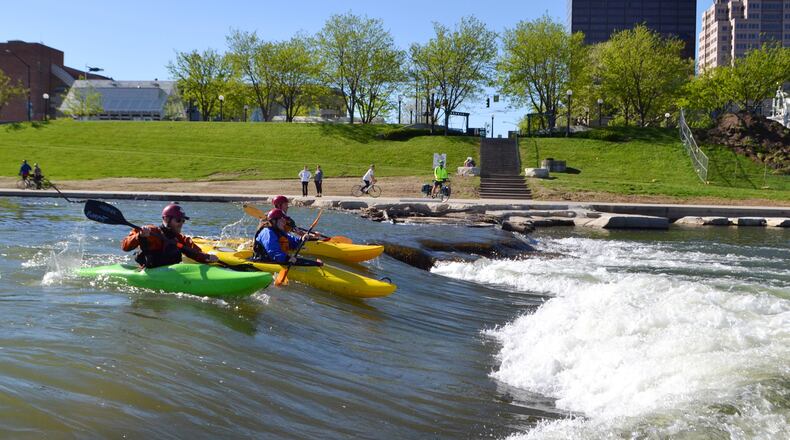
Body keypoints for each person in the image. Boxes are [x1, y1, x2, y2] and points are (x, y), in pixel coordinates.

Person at [121, 203, 218, 269]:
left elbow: (194, 252)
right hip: (149, 272)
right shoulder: (151, 232)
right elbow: (125, 246)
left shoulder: (179, 239)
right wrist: (139, 236)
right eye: (178, 220)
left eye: (183, 220)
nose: (181, 223)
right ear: (166, 219)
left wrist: (207, 258)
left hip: (169, 273)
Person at [251, 208, 322, 266]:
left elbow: (294, 243)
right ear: (274, 221)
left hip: (277, 260)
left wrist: (303, 239)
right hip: (264, 262)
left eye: (284, 219)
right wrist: (288, 259)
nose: (284, 221)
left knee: (315, 263)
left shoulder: (280, 231)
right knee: (315, 264)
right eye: (281, 219)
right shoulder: (267, 232)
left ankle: (316, 264)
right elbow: (274, 253)